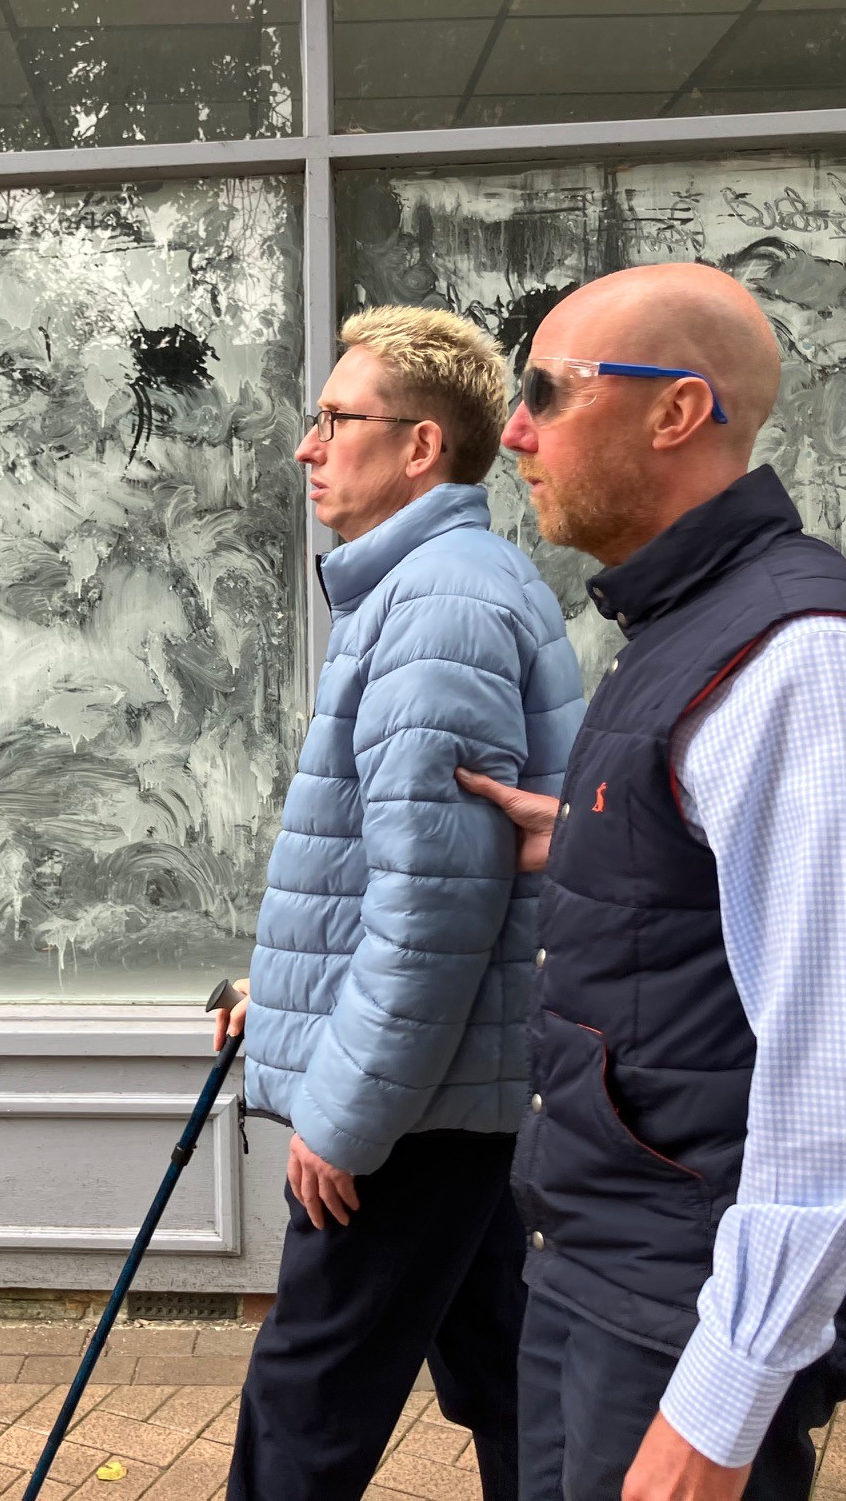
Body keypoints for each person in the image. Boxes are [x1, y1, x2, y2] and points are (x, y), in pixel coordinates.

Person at [457, 263, 846, 1501]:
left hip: (684, 1305)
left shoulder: (799, 660)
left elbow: (834, 1081)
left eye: (545, 393)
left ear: (676, 412)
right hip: (596, 1257)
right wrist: (587, 835)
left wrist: (720, 1412)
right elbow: (711, 885)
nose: (513, 430)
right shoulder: (681, 628)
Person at [212, 305, 584, 1501]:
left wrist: (346, 1116)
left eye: (335, 420)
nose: (309, 447)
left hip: (412, 1107)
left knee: (306, 1405)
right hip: (454, 1087)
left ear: (421, 447)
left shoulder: (439, 606)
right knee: (509, 1375)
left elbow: (438, 906)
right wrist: (282, 993)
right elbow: (398, 873)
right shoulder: (434, 586)